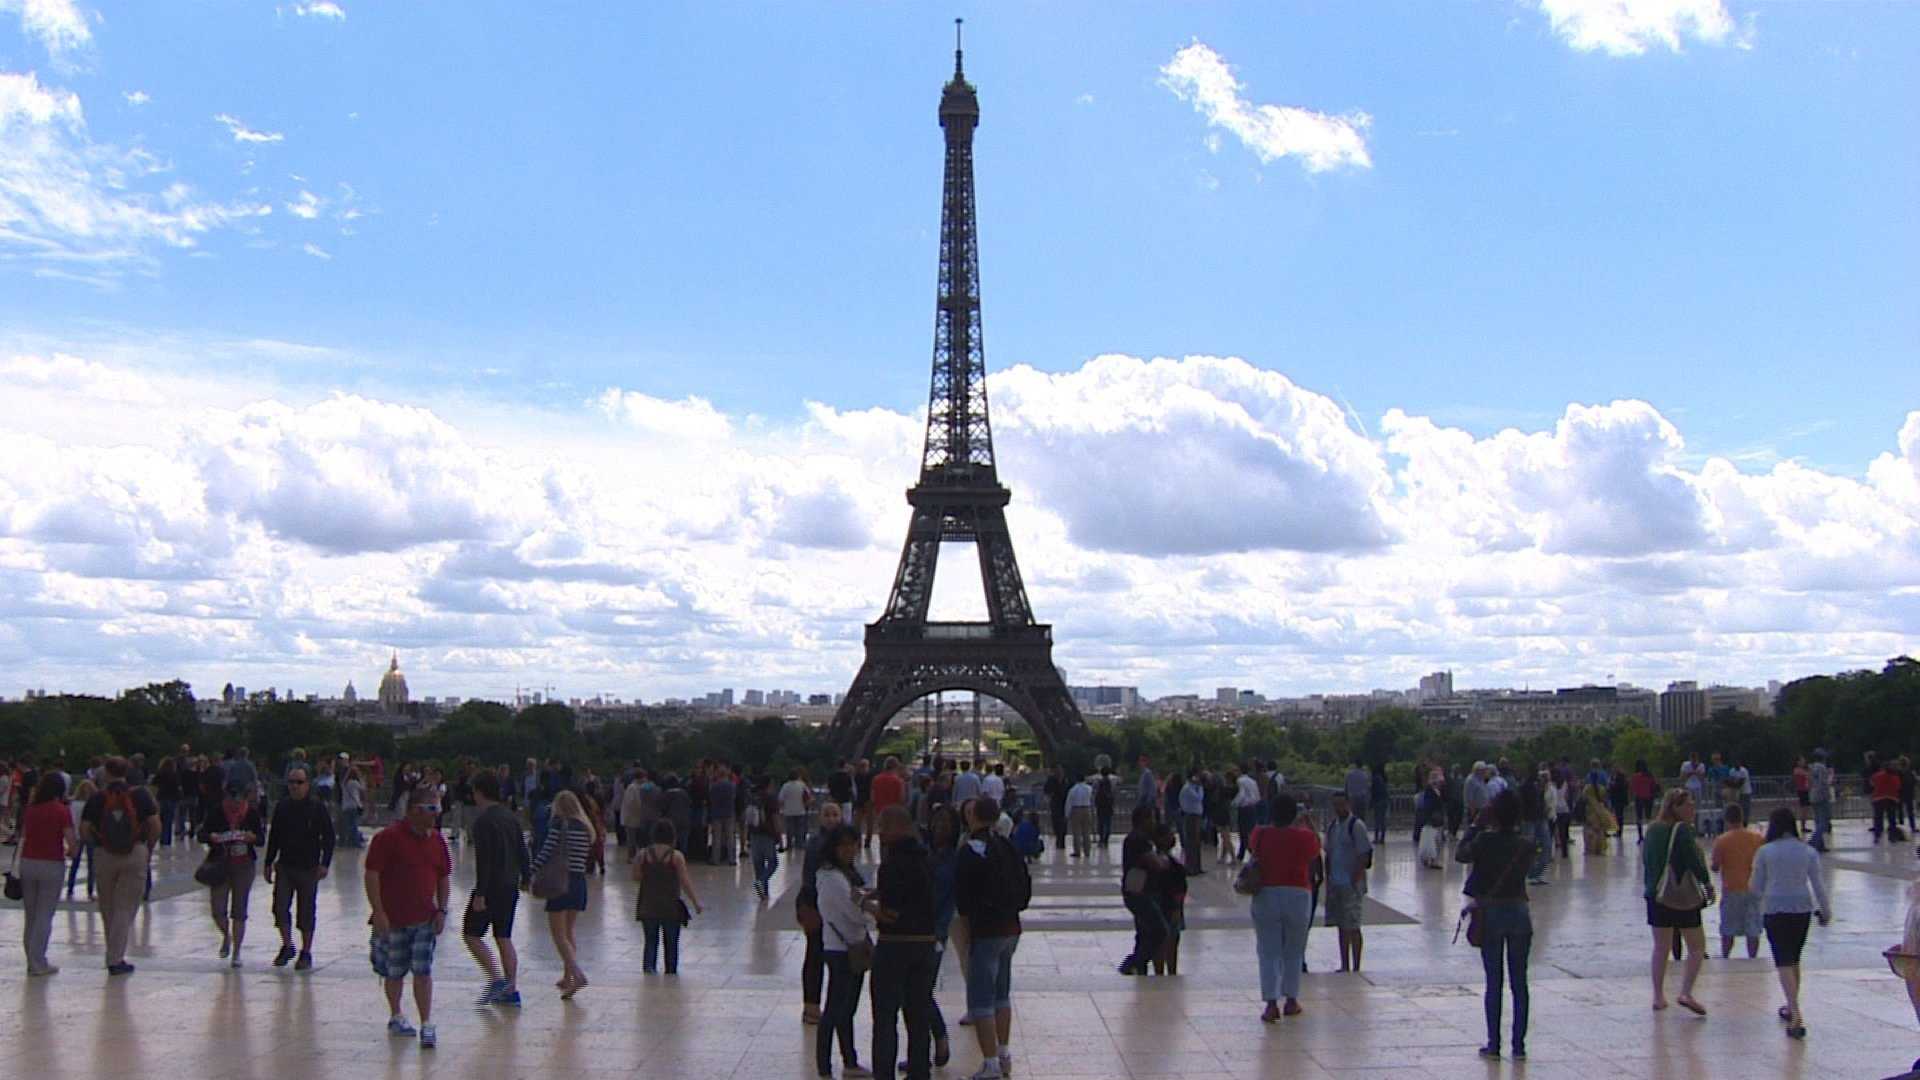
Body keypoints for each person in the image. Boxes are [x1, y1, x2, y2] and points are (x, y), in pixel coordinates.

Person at [364, 786, 452, 1049]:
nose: (437, 815)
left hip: (424, 917)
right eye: (432, 809)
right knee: (394, 971)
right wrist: (378, 911)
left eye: (439, 808)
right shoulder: (387, 838)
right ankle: (396, 1014)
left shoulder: (437, 840)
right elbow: (372, 874)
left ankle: (426, 1022)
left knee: (422, 970)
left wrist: (442, 909)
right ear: (415, 809)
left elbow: (443, 876)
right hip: (393, 919)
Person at [1457, 789, 1538, 1060]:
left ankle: (1494, 1043)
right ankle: (1519, 1044)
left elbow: (1461, 854)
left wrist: (1476, 824)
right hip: (1518, 911)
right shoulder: (1526, 844)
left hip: (1491, 914)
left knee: (1494, 981)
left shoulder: (1484, 840)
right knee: (1519, 982)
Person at [955, 796, 1026, 1080]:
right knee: (1002, 994)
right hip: (1011, 927)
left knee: (980, 999)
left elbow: (964, 898)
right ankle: (1005, 1052)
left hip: (986, 929)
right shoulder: (1007, 845)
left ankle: (990, 1062)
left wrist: (968, 932)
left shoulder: (971, 849)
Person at [868, 805, 937, 1080]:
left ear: (899, 828)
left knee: (885, 1017)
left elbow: (892, 913)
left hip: (895, 944)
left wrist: (866, 904)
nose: (880, 832)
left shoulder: (893, 863)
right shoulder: (926, 859)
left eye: (884, 826)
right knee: (918, 1014)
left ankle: (883, 1073)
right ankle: (920, 1071)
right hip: (925, 943)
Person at [1750, 807, 1831, 1039]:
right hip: (1801, 909)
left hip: (1774, 909)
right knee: (1794, 958)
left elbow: (1755, 887)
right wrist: (1826, 911)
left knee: (1783, 960)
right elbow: (1818, 885)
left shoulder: (1765, 852)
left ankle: (1794, 1010)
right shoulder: (1807, 851)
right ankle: (1791, 1003)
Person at [81, 756, 160, 975]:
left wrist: (97, 844)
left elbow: (85, 829)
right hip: (134, 852)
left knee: (108, 907)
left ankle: (112, 953)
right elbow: (155, 825)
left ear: (106, 772)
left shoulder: (98, 798)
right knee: (125, 907)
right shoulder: (140, 795)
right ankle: (116, 958)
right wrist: (148, 848)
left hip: (104, 854)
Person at [1247, 793, 1320, 1021]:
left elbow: (1252, 851)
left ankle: (1270, 1003)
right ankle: (1291, 1000)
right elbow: (1317, 849)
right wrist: (1307, 824)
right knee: (1294, 950)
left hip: (1267, 893)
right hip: (1298, 893)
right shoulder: (1305, 837)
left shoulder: (1260, 834)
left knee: (1268, 950)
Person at [1645, 787, 1713, 1015]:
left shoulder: (1652, 829)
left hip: (1656, 894)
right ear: (1675, 807)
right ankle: (1686, 991)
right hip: (1681, 896)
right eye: (1688, 804)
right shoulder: (1682, 830)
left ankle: (1657, 996)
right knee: (1696, 946)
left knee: (1660, 947)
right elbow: (1693, 860)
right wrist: (1707, 882)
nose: (1692, 808)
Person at [464, 771, 528, 1006]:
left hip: (491, 887)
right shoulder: (511, 817)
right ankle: (511, 989)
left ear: (479, 792)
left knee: (471, 933)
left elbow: (485, 860)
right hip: (510, 884)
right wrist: (526, 876)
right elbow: (522, 850)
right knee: (504, 936)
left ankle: (496, 979)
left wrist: (480, 893)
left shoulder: (483, 821)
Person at [815, 824, 874, 1077]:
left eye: (853, 844)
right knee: (835, 1008)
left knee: (847, 1008)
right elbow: (853, 912)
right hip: (841, 949)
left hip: (853, 947)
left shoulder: (847, 873)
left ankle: (850, 1060)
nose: (850, 850)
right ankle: (825, 1065)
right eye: (844, 845)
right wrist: (871, 913)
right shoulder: (832, 877)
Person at [264, 766, 336, 970]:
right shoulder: (282, 807)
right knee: (280, 907)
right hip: (285, 865)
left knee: (306, 910)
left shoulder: (316, 807)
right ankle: (287, 945)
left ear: (307, 785)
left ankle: (306, 951)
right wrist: (268, 862)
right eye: (291, 782)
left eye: (299, 782)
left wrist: (325, 863)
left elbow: (329, 837)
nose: (294, 786)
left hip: (308, 867)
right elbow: (274, 836)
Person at [528, 789, 593, 997]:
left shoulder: (559, 825)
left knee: (558, 934)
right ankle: (568, 977)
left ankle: (577, 974)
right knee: (569, 932)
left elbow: (547, 851)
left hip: (560, 883)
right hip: (578, 882)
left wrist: (529, 870)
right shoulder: (585, 828)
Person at [17, 773, 77, 975]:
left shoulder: (31, 809)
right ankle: (38, 961)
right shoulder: (62, 811)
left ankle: (30, 960)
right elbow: (71, 841)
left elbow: (24, 835)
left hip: (28, 862)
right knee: (45, 914)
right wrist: (72, 851)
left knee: (31, 915)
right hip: (51, 862)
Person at [200, 783, 265, 967]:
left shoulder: (251, 814)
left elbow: (261, 839)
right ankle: (226, 935)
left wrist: (251, 838)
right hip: (220, 863)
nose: (234, 804)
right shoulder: (217, 812)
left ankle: (237, 951)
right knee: (217, 909)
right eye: (231, 800)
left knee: (239, 909)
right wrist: (212, 837)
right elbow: (201, 833)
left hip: (244, 864)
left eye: (239, 800)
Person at [798, 802, 846, 1022]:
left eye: (835, 814)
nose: (831, 818)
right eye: (826, 814)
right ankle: (811, 1006)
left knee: (835, 957)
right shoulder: (815, 843)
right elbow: (808, 877)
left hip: (836, 907)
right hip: (815, 905)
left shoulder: (845, 842)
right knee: (815, 955)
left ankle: (833, 1005)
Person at [635, 820, 701, 974]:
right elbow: (685, 881)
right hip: (670, 906)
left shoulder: (643, 855)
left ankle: (649, 969)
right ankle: (671, 971)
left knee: (650, 941)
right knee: (671, 943)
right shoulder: (676, 856)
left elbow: (636, 876)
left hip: (648, 904)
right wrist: (696, 902)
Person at [1118, 804, 1169, 975]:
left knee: (1144, 931)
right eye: (1152, 818)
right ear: (1143, 820)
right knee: (1159, 929)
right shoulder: (1139, 840)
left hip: (1135, 890)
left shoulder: (1135, 838)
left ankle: (1139, 965)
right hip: (1140, 892)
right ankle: (1136, 961)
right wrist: (1163, 857)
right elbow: (1156, 864)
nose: (1154, 822)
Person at [1325, 791, 1372, 973]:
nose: (1338, 809)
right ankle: (1344, 964)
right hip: (1337, 882)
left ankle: (1356, 965)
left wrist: (1356, 878)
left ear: (1348, 804)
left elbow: (1364, 854)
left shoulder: (1356, 826)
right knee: (1341, 925)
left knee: (1353, 925)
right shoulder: (1332, 827)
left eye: (1341, 804)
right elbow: (1328, 854)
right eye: (1335, 805)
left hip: (1351, 883)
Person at [1709, 803, 1764, 960]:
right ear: (1742, 818)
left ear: (1727, 820)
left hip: (1732, 888)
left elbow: (1715, 867)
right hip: (1753, 888)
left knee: (1728, 927)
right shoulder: (1757, 838)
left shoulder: (1722, 840)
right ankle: (1752, 957)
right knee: (1753, 927)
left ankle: (1725, 955)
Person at [748, 776, 783, 899]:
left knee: (759, 865)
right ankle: (761, 882)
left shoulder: (753, 797)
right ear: (769, 784)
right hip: (767, 834)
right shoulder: (771, 798)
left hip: (754, 833)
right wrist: (780, 837)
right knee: (773, 863)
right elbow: (775, 818)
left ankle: (763, 895)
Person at [1177, 769, 1206, 874]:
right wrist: (1200, 787)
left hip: (1196, 816)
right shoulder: (1188, 788)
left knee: (1196, 842)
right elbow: (1198, 798)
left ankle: (1197, 866)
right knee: (1191, 842)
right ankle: (1190, 867)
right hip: (1191, 817)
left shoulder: (1194, 787)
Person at [780, 768, 814, 854]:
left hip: (788, 811)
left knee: (789, 829)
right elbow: (809, 796)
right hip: (800, 810)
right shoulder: (802, 785)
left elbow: (780, 798)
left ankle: (789, 845)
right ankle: (800, 845)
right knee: (800, 829)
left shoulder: (785, 786)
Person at [1872, 759, 1904, 842]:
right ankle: (1892, 836)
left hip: (1878, 799)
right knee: (1892, 819)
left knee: (1878, 818)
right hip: (1891, 799)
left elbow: (1872, 783)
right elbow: (1898, 788)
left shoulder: (1877, 775)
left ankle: (1877, 836)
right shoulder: (1895, 777)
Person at [1808, 751, 1834, 851]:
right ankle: (1814, 841)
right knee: (1824, 821)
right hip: (1822, 795)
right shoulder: (1822, 768)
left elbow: (1810, 781)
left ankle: (1820, 844)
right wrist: (1830, 777)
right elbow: (1824, 782)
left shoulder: (1811, 767)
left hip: (1813, 794)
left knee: (1818, 820)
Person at [1582, 782, 1617, 856]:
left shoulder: (1587, 792)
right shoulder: (1601, 803)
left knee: (1591, 832)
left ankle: (1591, 849)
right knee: (1600, 831)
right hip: (1600, 817)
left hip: (1591, 817)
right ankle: (1600, 849)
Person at [1065, 773, 1094, 857]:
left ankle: (1077, 851)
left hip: (1076, 809)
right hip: (1086, 808)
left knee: (1076, 832)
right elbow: (1092, 800)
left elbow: (1068, 802)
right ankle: (1087, 851)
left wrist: (1067, 814)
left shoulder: (1073, 789)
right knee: (1086, 832)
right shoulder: (1089, 788)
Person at [1093, 765, 1116, 845]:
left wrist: (1096, 803)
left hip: (1101, 806)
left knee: (1101, 823)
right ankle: (1106, 839)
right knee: (1108, 822)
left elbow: (1096, 793)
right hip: (1108, 805)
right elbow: (1112, 793)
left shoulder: (1099, 782)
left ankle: (1101, 839)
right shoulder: (1111, 782)